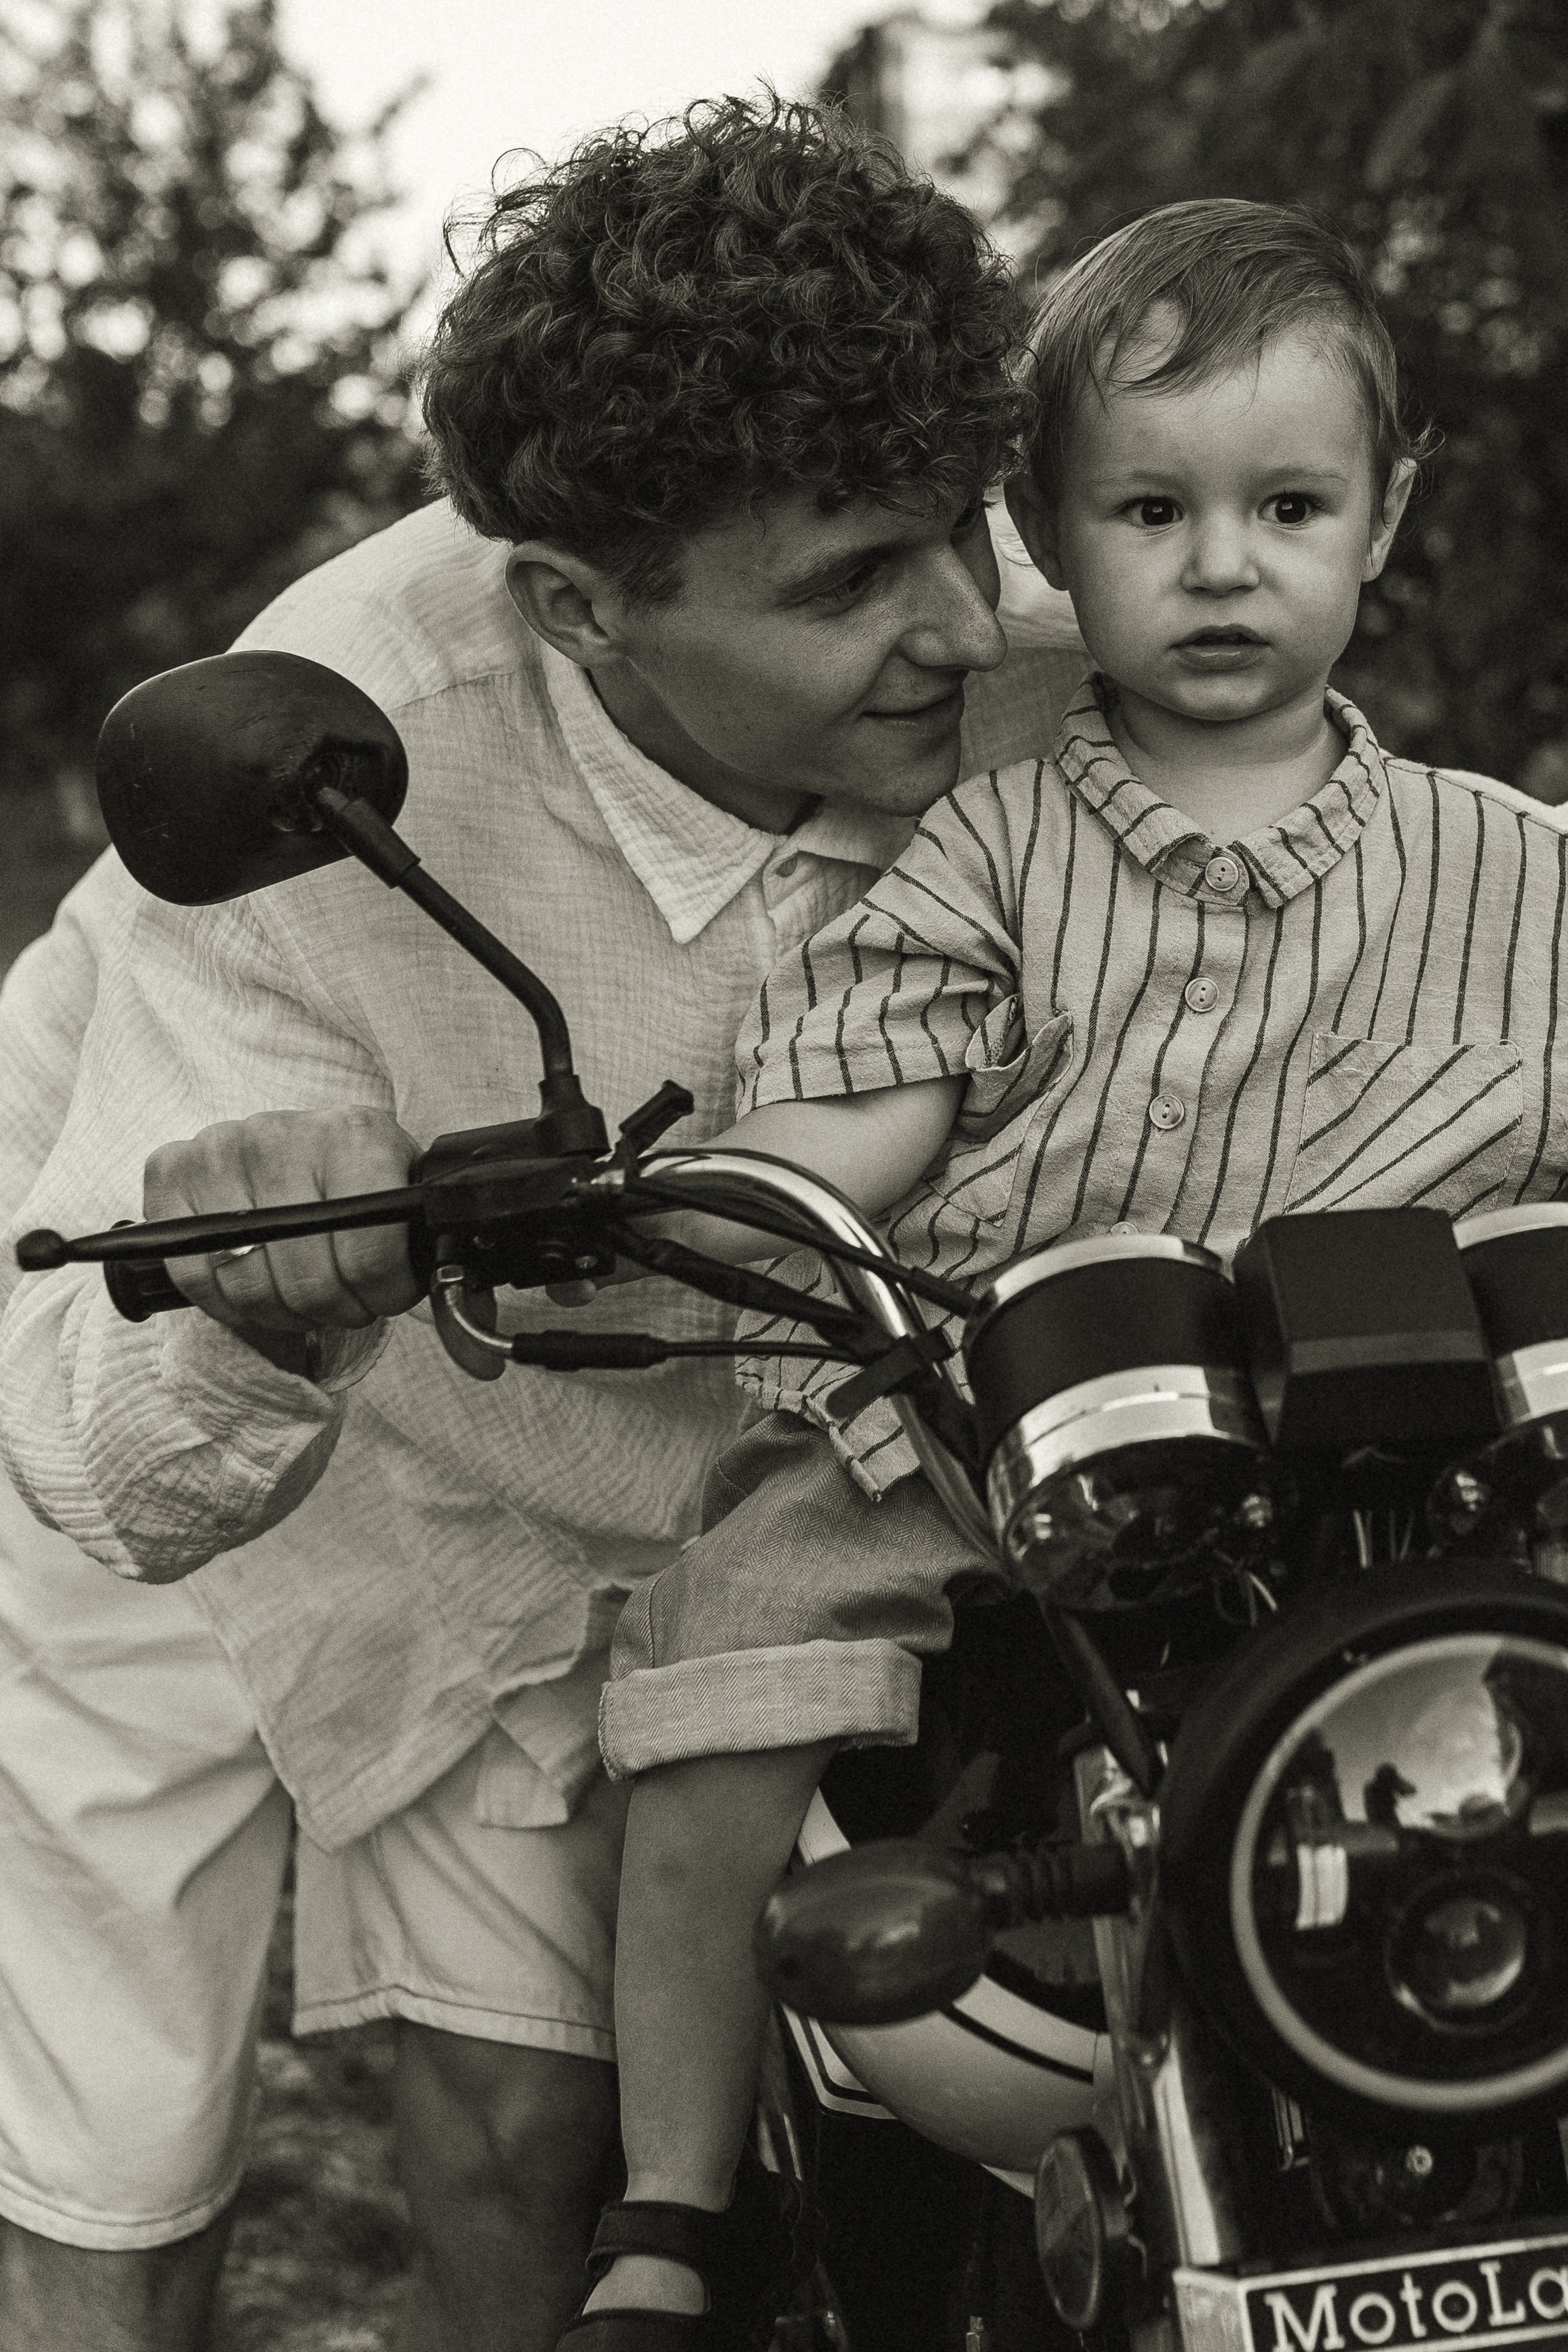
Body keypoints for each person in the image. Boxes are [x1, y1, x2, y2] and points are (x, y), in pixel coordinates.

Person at [0, 97, 1089, 2352]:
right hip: (232, 1389)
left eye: (959, 529)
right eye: (845, 586)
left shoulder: (1067, 609)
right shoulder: (327, 770)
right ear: (579, 609)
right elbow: (117, 1466)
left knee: (648, 2114)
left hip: (754, 1429)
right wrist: (248, 1297)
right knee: (168, 2112)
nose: (965, 626)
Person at [566, 196, 1568, 2345]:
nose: (1222, 561)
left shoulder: (1518, 868)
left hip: (1420, 1464)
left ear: (1386, 516)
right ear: (1046, 530)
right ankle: (669, 2208)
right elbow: (866, 1112)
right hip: (1006, 1418)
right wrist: (714, 1183)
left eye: (1287, 502)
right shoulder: (994, 843)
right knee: (731, 1641)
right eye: (1150, 506)